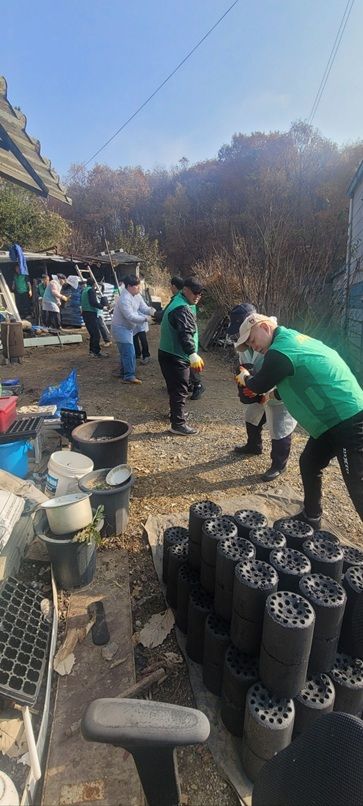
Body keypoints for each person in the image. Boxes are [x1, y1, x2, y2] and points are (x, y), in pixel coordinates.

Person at [235, 312, 363, 528]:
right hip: (332, 422)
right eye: (248, 344)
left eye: (252, 340)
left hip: (347, 420)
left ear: (265, 328)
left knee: (357, 486)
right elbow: (298, 382)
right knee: (310, 463)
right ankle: (312, 517)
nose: (252, 347)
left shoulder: (280, 351)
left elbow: (257, 385)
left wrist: (245, 377)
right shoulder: (290, 342)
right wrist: (272, 396)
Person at [229, 304, 296, 481]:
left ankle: (278, 465)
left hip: (278, 391)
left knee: (279, 427)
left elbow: (281, 373)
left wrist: (262, 387)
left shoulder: (275, 340)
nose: (241, 338)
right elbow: (243, 365)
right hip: (258, 387)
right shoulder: (247, 342)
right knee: (251, 415)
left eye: (248, 337)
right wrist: (244, 381)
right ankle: (253, 445)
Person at [158, 276, 205, 436]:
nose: (197, 296)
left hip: (168, 353)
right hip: (175, 356)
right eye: (195, 293)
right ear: (185, 290)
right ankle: (177, 424)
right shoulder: (181, 309)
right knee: (180, 390)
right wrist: (192, 353)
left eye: (200, 293)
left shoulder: (178, 301)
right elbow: (185, 334)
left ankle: (175, 414)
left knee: (174, 388)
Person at [111, 275, 155, 384]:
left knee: (125, 352)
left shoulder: (136, 295)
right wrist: (146, 319)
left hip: (128, 328)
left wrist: (151, 311)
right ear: (129, 286)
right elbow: (130, 316)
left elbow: (143, 307)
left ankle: (122, 371)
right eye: (136, 286)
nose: (139, 288)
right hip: (120, 328)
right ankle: (129, 376)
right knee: (129, 352)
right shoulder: (124, 299)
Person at [81, 278, 107, 358]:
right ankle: (96, 352)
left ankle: (91, 351)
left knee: (92, 333)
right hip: (91, 313)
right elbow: (93, 302)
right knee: (96, 334)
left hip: (85, 313)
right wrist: (101, 306)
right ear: (94, 284)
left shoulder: (84, 290)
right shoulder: (91, 290)